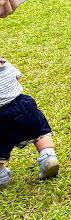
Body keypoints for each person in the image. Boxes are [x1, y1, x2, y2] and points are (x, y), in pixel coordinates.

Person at [0, 55, 59, 188]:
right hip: (24, 105)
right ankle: (48, 156)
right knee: (39, 131)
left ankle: (1, 176)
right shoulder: (5, 63)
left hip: (2, 115)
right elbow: (18, 81)